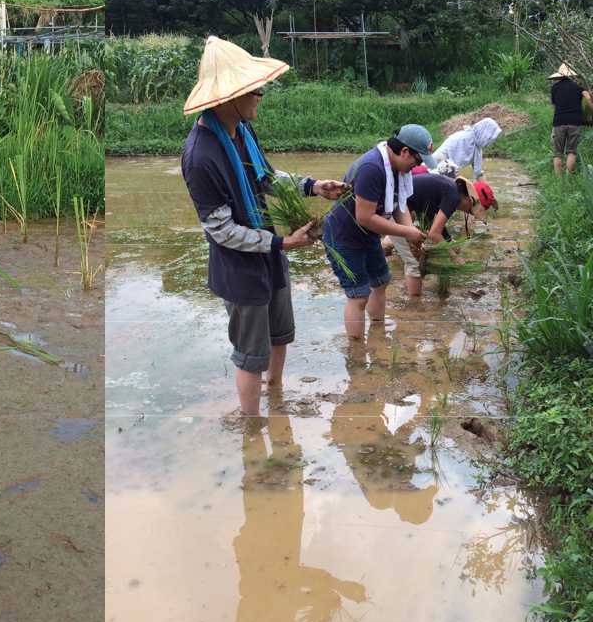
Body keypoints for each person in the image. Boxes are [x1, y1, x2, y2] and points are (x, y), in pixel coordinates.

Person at [179, 36, 347, 416]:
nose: (260, 96)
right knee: (250, 354)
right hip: (240, 267)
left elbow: (265, 179)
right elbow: (220, 230)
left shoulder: (242, 130)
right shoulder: (200, 156)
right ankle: (252, 429)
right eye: (255, 90)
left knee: (279, 334)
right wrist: (282, 243)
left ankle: (277, 399)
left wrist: (314, 187)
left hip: (269, 254)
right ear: (230, 94)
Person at [322, 125, 436, 339]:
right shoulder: (372, 168)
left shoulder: (399, 170)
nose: (417, 166)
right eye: (418, 161)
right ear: (404, 152)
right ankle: (356, 353)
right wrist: (407, 232)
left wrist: (411, 232)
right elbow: (364, 217)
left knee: (381, 280)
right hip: (343, 235)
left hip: (368, 234)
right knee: (358, 295)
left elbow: (399, 206)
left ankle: (377, 334)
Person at [389, 173, 498, 296]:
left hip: (399, 202)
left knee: (416, 254)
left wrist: (449, 241)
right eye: (469, 211)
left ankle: (406, 290)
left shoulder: (449, 188)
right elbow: (434, 234)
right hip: (393, 204)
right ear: (469, 199)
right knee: (412, 261)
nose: (467, 212)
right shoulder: (453, 197)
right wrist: (454, 257)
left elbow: (430, 220)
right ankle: (415, 306)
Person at [549, 62, 592, 176]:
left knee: (558, 153)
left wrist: (557, 117)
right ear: (572, 75)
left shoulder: (555, 88)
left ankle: (558, 180)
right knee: (572, 151)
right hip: (575, 121)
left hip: (559, 122)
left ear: (559, 75)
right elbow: (588, 97)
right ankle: (568, 177)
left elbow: (554, 107)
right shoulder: (578, 86)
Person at [431, 117, 501, 179]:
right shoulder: (463, 140)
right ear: (484, 134)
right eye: (489, 138)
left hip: (448, 168)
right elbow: (453, 168)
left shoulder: (476, 145)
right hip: (437, 164)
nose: (490, 142)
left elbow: (478, 172)